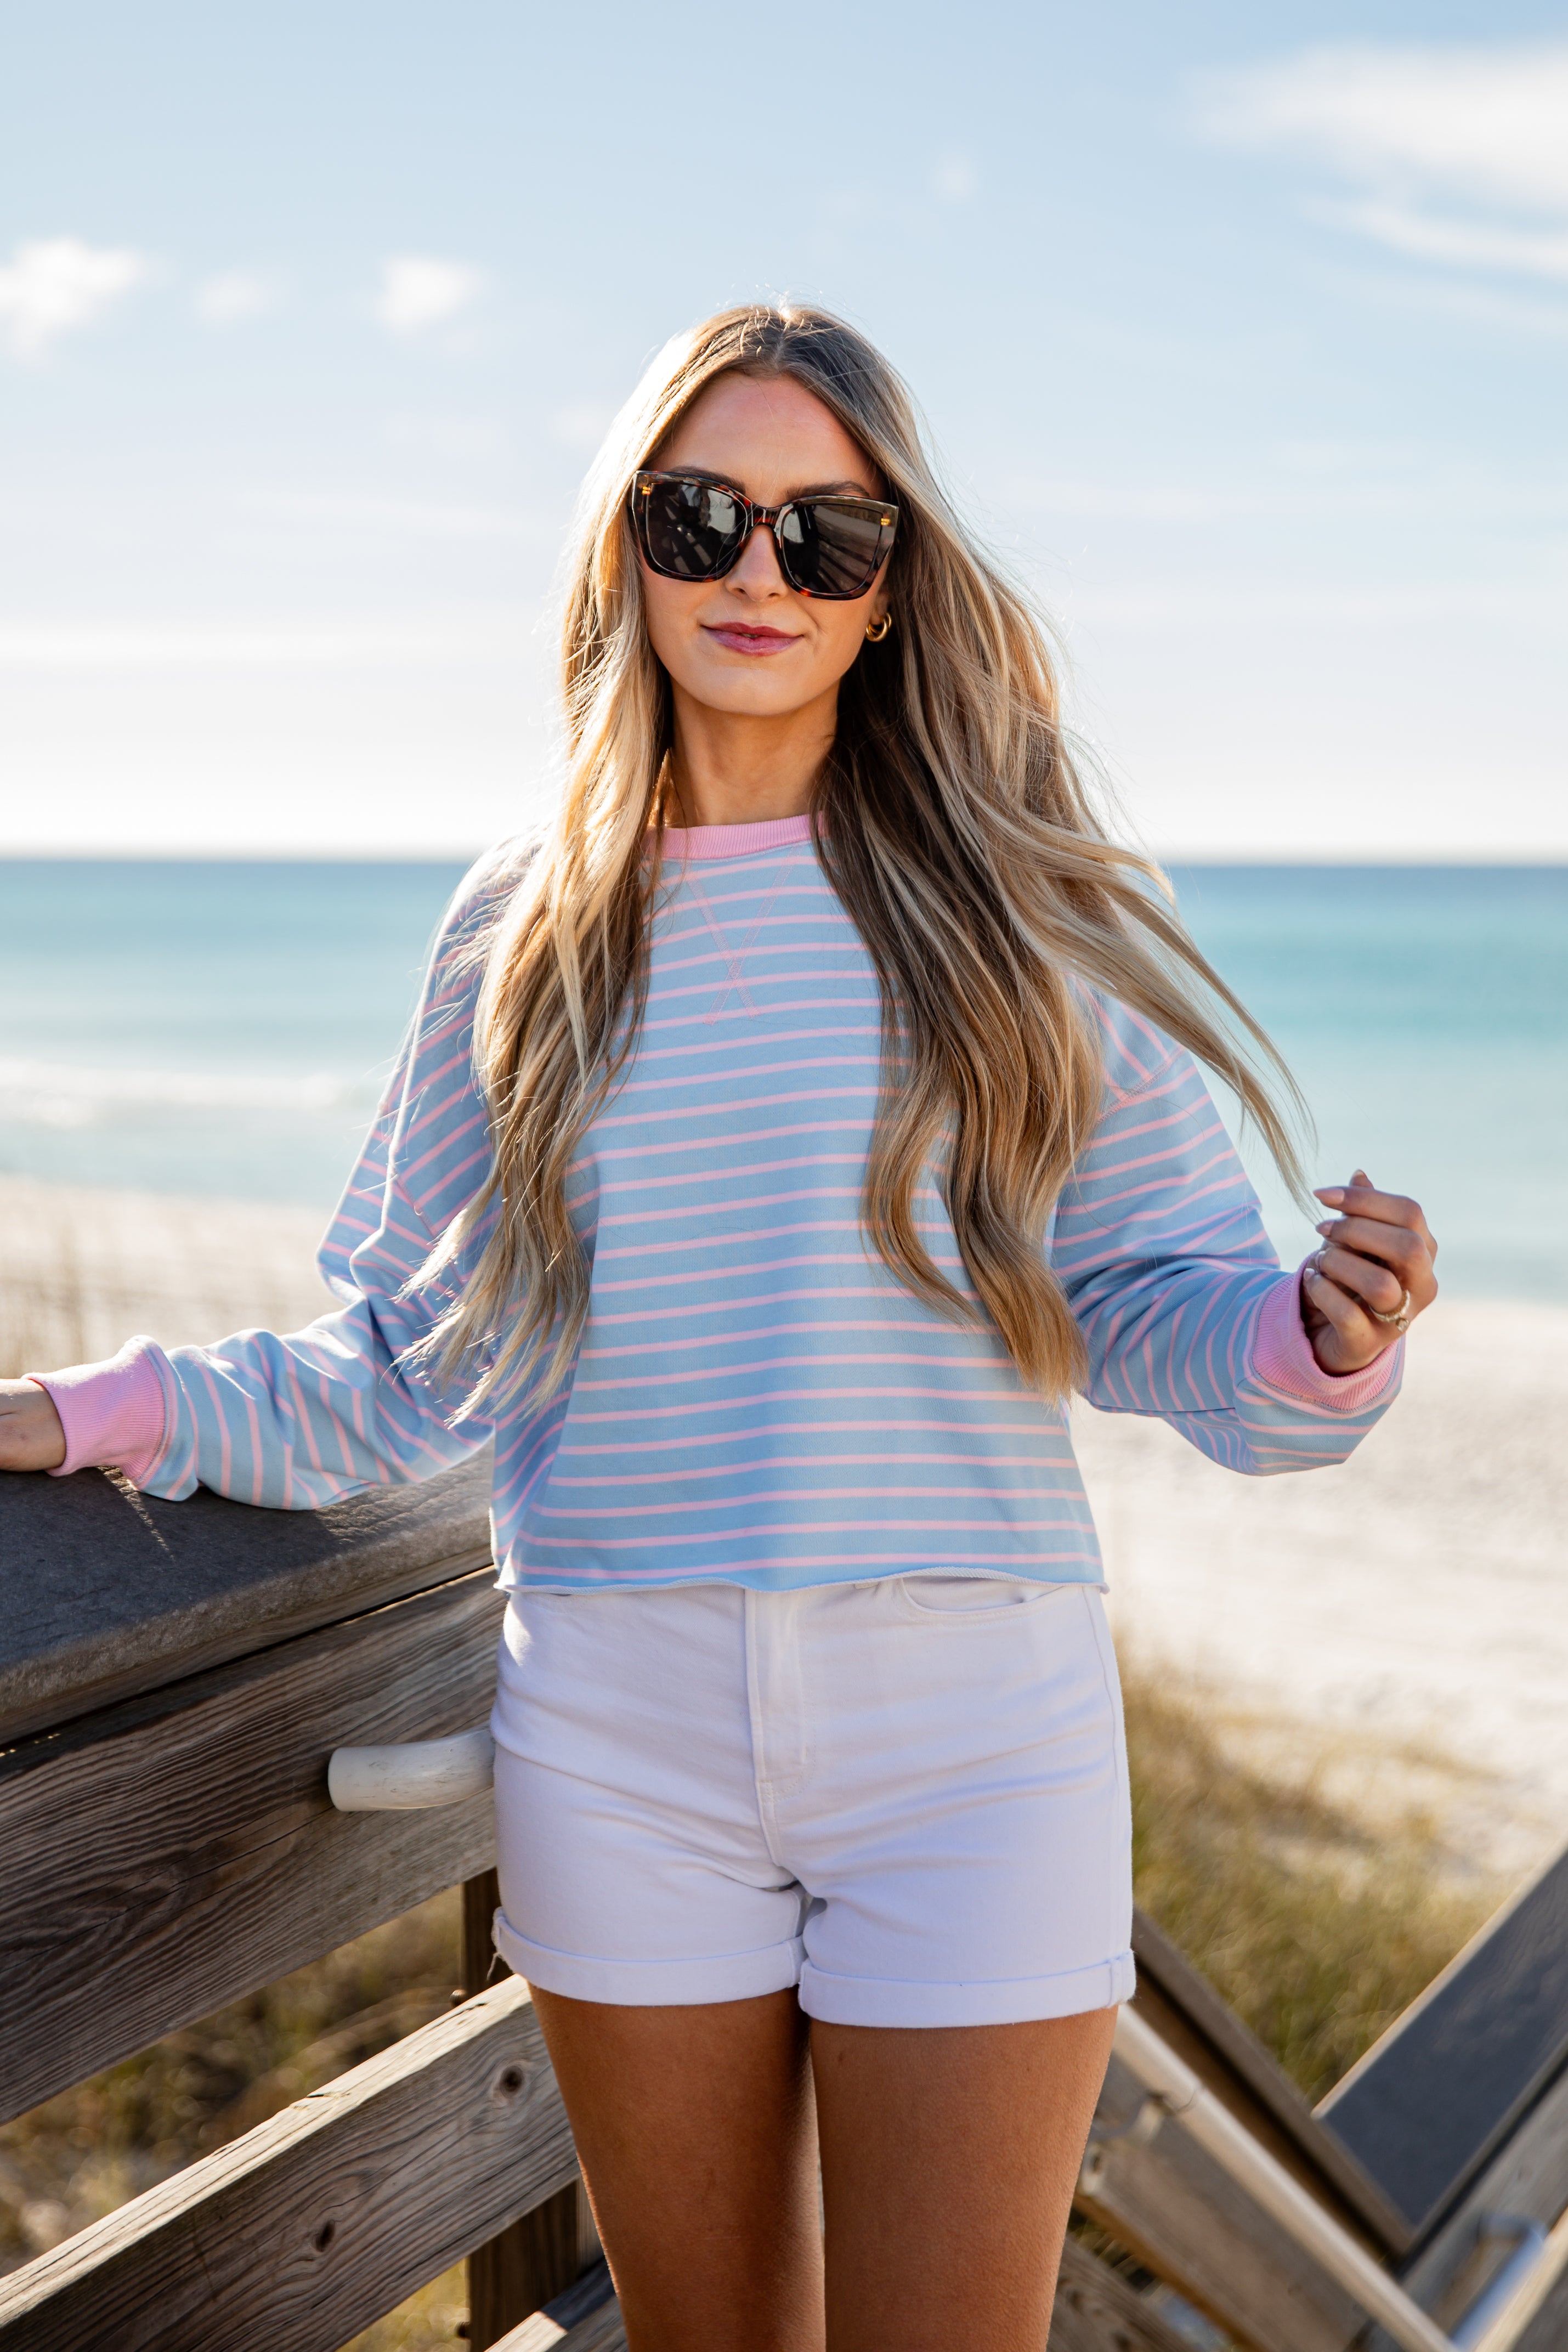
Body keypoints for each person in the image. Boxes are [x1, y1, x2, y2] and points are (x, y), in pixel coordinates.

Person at [0, 303, 1437, 2352]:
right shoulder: (521, 931)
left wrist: (1319, 1334)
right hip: (616, 1735)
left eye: (823, 537)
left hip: (972, 1738)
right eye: (702, 517)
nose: (758, 574)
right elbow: (404, 1376)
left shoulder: (1026, 914)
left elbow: (1156, 1321)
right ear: (627, 556)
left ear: (888, 590)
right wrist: (71, 1414)